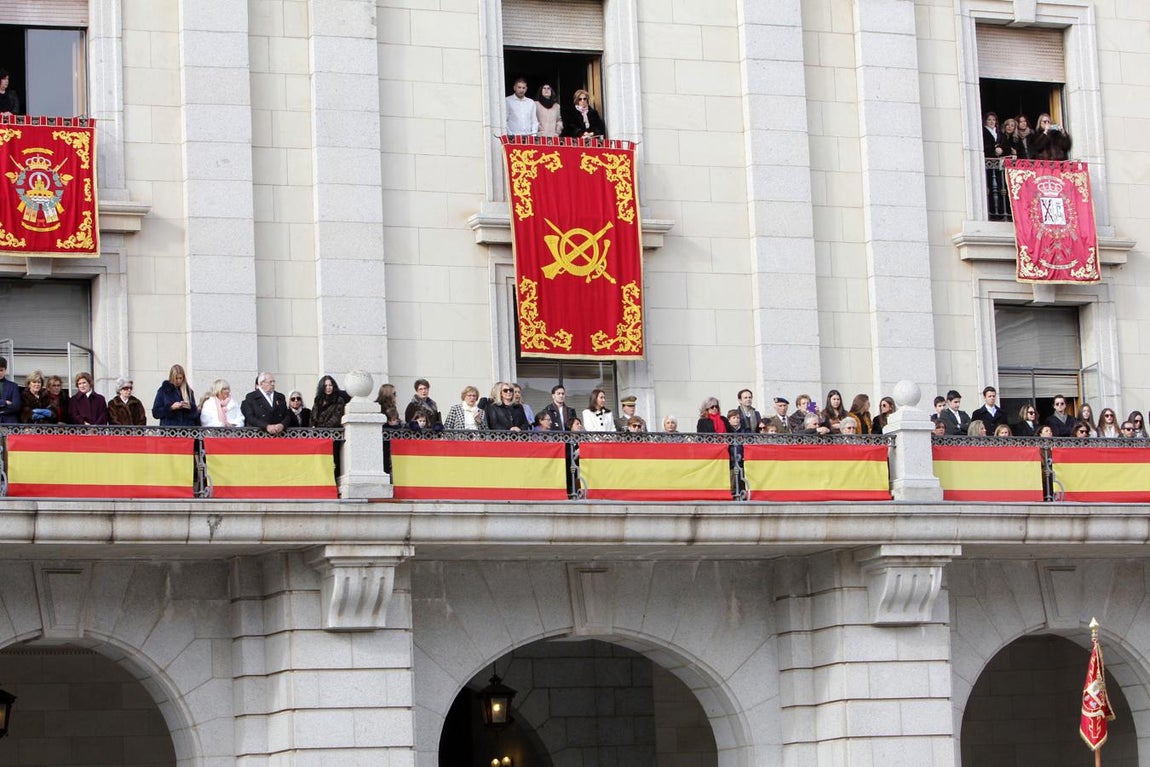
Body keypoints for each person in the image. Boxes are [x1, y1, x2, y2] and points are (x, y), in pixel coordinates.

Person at [0, 356, 21, 423]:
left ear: (5, 370)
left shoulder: (13, 386)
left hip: (9, 424)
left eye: (1, 370)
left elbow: (16, 406)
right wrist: (4, 402)